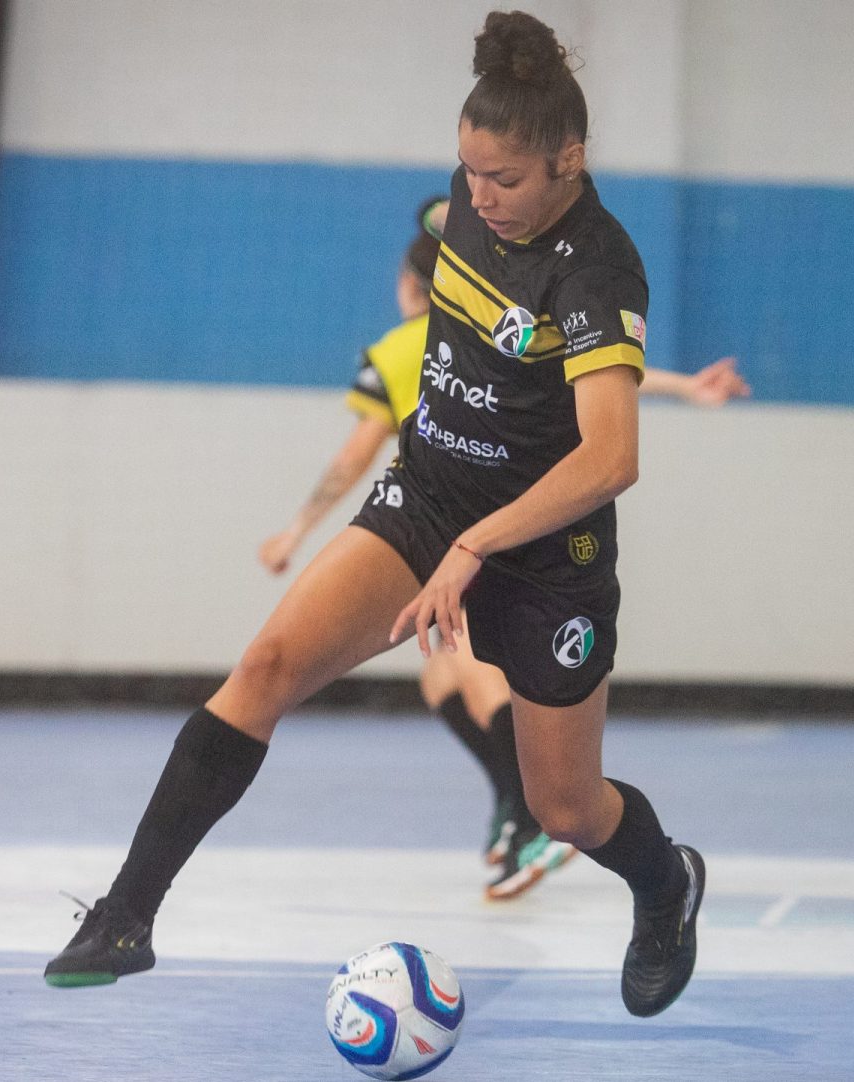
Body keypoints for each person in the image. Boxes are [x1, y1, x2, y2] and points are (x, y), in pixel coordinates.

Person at [46, 9, 710, 1019]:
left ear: (569, 159)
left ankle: (665, 882)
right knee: (267, 666)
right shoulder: (471, 203)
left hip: (545, 548)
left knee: (564, 807)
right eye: (468, 172)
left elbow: (612, 457)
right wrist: (448, 528)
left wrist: (479, 545)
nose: (479, 198)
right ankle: (126, 915)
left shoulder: (596, 269)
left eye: (505, 179)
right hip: (429, 494)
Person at [258, 207, 747, 902]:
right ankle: (516, 806)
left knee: (473, 670)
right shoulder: (499, 328)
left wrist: (296, 530)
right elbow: (603, 366)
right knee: (441, 679)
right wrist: (687, 387)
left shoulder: (407, 347)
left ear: (410, 284)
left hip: (468, 533)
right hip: (509, 528)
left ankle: (533, 814)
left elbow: (350, 460)